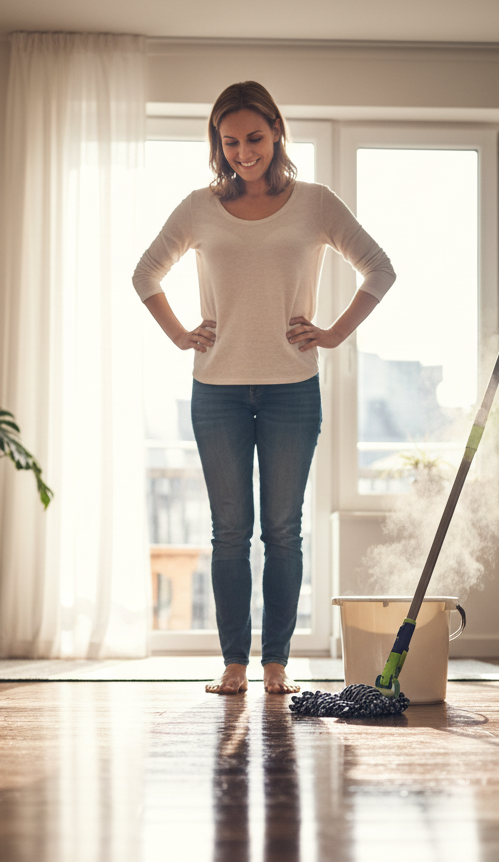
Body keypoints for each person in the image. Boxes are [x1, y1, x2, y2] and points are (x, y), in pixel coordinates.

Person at [132, 81, 396, 695]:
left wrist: (331, 334)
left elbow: (379, 268)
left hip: (291, 390)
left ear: (276, 130)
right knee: (230, 531)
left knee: (281, 529)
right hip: (216, 390)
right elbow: (146, 272)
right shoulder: (199, 207)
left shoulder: (316, 203)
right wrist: (178, 335)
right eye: (230, 143)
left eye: (253, 138)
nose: (243, 153)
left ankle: (276, 661)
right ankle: (233, 664)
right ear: (217, 146)